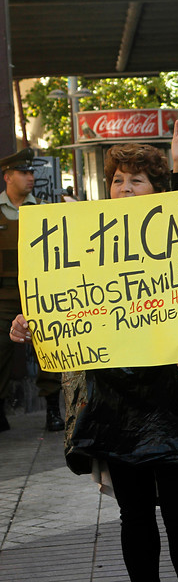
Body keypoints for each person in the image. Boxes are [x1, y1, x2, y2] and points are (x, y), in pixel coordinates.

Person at [10, 142, 178, 582]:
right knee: (134, 513)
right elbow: (60, 294)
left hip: (171, 396)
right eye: (117, 179)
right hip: (114, 400)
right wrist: (30, 322)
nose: (123, 188)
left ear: (158, 189)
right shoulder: (86, 236)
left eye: (136, 180)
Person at [0, 147, 63, 432]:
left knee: (48, 350)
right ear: (8, 177)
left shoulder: (41, 210)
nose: (30, 177)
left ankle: (52, 408)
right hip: (4, 295)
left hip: (37, 294)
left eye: (31, 172)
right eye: (24, 173)